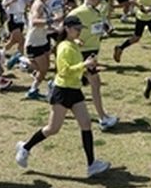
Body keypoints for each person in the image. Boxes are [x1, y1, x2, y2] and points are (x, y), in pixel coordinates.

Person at [15, 14, 111, 178]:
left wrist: (89, 67)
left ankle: (91, 164)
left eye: (80, 29)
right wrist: (84, 65)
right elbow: (64, 71)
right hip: (62, 91)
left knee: (86, 124)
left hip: (74, 90)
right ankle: (25, 147)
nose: (79, 32)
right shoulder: (64, 47)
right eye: (76, 29)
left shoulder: (72, 44)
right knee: (53, 129)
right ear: (67, 29)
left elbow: (75, 67)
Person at [66, 0, 120, 129]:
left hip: (93, 52)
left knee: (74, 85)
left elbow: (99, 25)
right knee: (95, 84)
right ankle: (103, 118)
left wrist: (106, 29)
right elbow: (64, 30)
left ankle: (56, 92)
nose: (100, 1)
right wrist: (75, 39)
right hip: (82, 53)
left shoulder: (97, 11)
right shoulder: (77, 13)